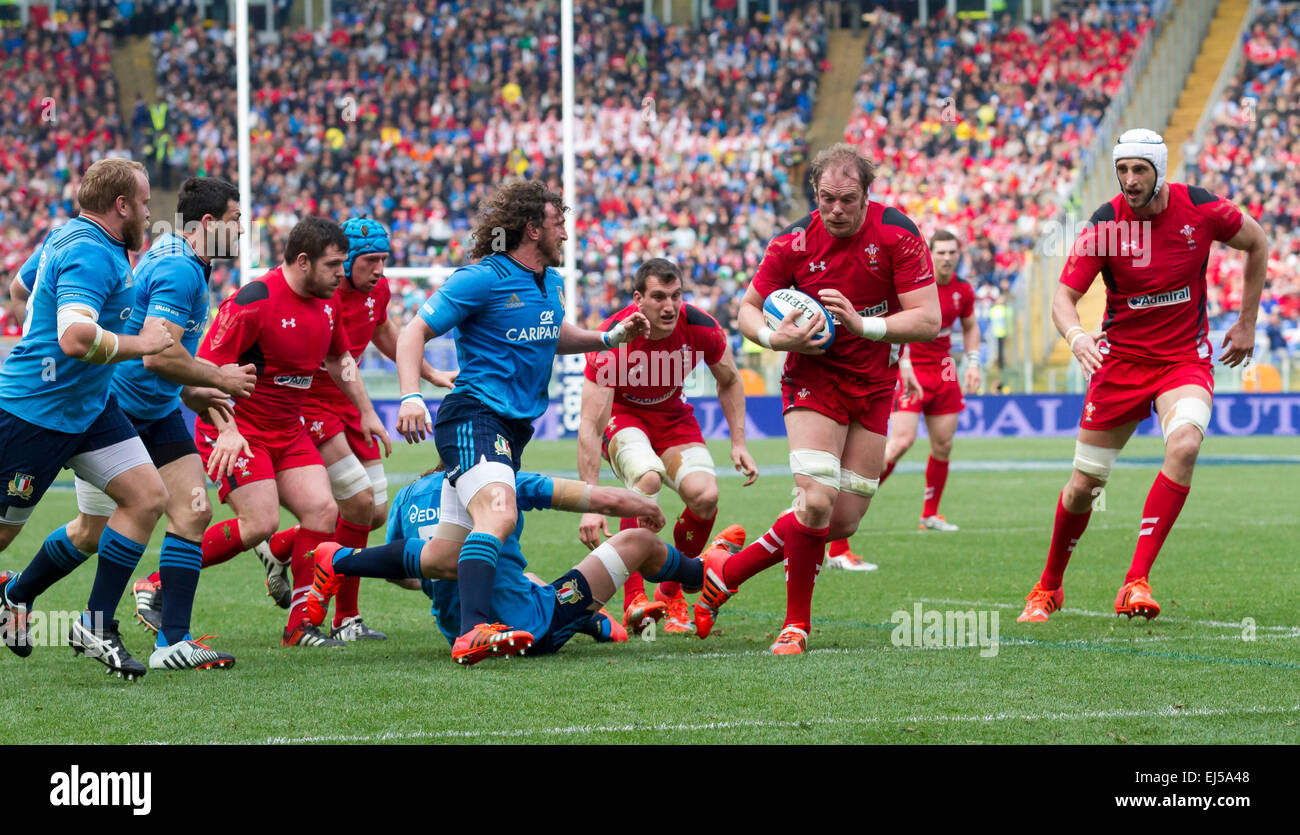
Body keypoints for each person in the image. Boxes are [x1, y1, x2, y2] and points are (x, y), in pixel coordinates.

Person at [692, 143, 941, 654]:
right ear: (815, 193)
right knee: (817, 500)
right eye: (827, 198)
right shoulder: (791, 244)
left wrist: (861, 324)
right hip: (813, 380)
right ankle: (796, 625)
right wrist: (772, 338)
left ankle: (727, 570)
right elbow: (745, 310)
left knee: (841, 520)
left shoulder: (898, 234)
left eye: (847, 199)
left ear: (866, 195)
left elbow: (928, 319)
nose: (836, 210)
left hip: (874, 386)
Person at [1017, 129, 1269, 622]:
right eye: (1123, 170)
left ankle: (1136, 581)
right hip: (1121, 365)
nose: (1130, 180)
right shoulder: (1105, 225)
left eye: (1140, 170)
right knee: (1084, 487)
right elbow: (1062, 299)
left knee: (1185, 445)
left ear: (1159, 170)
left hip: (1183, 361)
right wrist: (1078, 337)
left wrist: (1247, 322)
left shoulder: (1202, 209)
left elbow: (1257, 242)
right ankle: (1048, 587)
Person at [392, 179, 648, 665]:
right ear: (532, 228)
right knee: (501, 514)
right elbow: (414, 331)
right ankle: (473, 632)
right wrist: (410, 396)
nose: (567, 235)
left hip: (512, 431)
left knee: (449, 552)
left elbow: (552, 333)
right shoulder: (480, 278)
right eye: (559, 225)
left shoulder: (550, 283)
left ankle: (335, 562)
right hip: (473, 416)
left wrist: (609, 337)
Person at [57, 176, 255, 671]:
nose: (243, 230)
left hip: (159, 407)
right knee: (92, 528)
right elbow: (156, 355)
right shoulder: (178, 268)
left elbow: (168, 362)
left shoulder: (187, 259)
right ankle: (41, 602)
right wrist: (219, 377)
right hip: (120, 408)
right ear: (207, 224)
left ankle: (172, 642)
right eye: (235, 221)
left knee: (192, 509)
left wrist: (201, 390)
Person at [227, 218, 455, 642]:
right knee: (357, 503)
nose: (380, 270)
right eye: (371, 260)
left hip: (349, 404)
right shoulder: (322, 291)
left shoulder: (375, 290)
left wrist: (426, 373)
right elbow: (333, 356)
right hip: (311, 403)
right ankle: (343, 617)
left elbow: (384, 331)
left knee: (374, 512)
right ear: (343, 262)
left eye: (384, 260)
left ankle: (280, 547)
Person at [0, 159, 175, 679]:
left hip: (91, 408)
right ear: (121, 206)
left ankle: (92, 624)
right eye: (143, 202)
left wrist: (42, 343)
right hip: (34, 415)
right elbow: (74, 338)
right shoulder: (89, 253)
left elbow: (19, 288)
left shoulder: (67, 235)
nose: (149, 211)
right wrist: (140, 344)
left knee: (146, 499)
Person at [191, 216, 391, 648]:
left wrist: (367, 411)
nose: (342, 273)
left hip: (289, 429)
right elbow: (201, 371)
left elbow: (341, 362)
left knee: (324, 511)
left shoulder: (328, 301)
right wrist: (225, 429)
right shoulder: (253, 301)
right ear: (303, 262)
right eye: (335, 265)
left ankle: (300, 626)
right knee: (259, 523)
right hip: (238, 427)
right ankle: (158, 583)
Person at [305, 465, 741, 660]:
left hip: (459, 627)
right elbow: (595, 496)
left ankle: (592, 620)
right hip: (530, 624)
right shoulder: (504, 479)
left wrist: (441, 586)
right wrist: (635, 501)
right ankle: (702, 576)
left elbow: (404, 569)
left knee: (510, 572)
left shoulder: (409, 494)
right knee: (639, 541)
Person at [577, 257, 757, 634]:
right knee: (648, 480)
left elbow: (730, 379)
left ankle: (672, 590)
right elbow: (591, 426)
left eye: (676, 296)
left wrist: (738, 441)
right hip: (623, 417)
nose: (670, 306)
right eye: (659, 297)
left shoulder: (700, 326)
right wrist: (590, 503)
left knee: (705, 496)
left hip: (673, 418)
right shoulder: (613, 337)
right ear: (638, 299)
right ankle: (633, 600)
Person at [828, 229, 980, 568]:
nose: (946, 258)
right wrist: (906, 361)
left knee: (943, 445)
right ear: (931, 254)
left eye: (951, 252)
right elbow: (896, 321)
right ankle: (841, 522)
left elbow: (970, 327)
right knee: (900, 443)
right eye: (940, 252)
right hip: (910, 370)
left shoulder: (963, 291)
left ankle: (929, 514)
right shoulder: (915, 283)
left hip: (944, 371)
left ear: (958, 254)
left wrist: (972, 362)